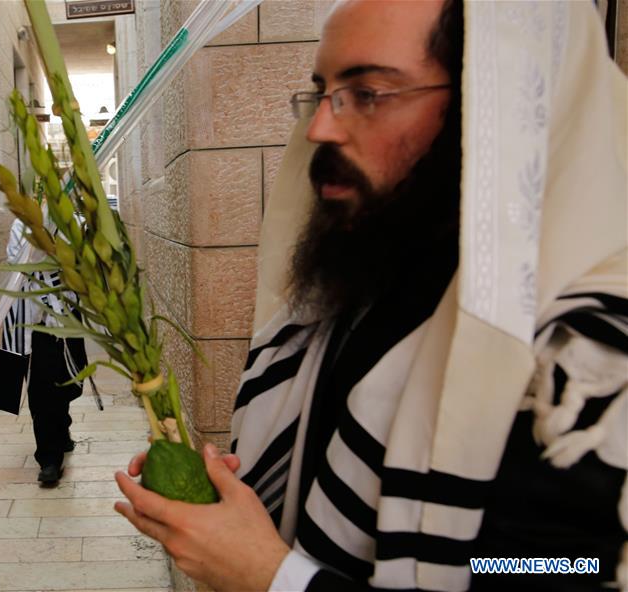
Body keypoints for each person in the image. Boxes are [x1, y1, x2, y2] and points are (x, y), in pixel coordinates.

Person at [114, 1, 627, 591]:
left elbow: (551, 568)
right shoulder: (372, 267)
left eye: (368, 94)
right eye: (323, 91)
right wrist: (228, 503)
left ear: (498, 101)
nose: (318, 129)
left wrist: (267, 575)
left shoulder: (587, 372)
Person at [3, 217, 89, 485]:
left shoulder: (74, 222)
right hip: (37, 323)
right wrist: (39, 243)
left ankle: (62, 428)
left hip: (67, 319)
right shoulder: (20, 225)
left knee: (69, 384)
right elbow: (15, 263)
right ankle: (49, 459)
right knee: (40, 393)